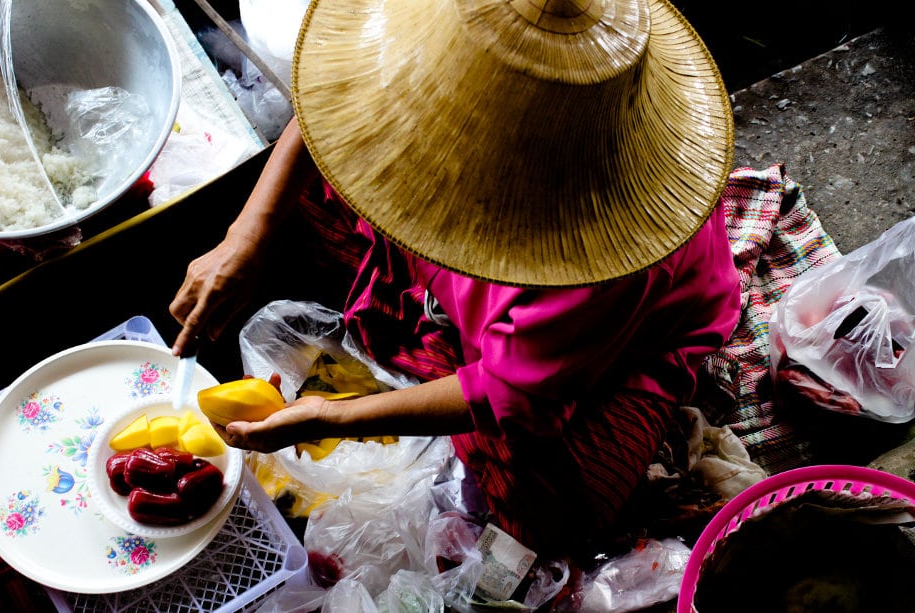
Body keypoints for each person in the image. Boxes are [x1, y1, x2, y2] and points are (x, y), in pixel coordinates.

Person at [170, 0, 741, 563]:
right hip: (493, 310)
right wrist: (245, 235)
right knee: (294, 209)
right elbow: (331, 103)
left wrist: (336, 417)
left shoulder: (598, 260)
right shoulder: (454, 30)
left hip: (599, 348)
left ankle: (445, 353)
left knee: (549, 517)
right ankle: (438, 345)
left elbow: (510, 393)